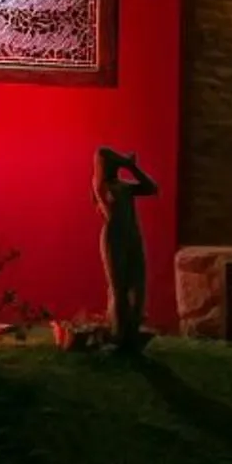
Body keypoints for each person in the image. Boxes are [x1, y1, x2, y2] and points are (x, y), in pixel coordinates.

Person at [93, 147, 159, 351]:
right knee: (118, 288)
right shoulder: (100, 184)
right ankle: (118, 335)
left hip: (133, 236)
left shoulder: (124, 186)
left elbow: (151, 188)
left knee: (138, 286)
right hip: (115, 237)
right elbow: (103, 153)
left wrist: (133, 168)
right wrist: (125, 161)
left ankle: (131, 331)